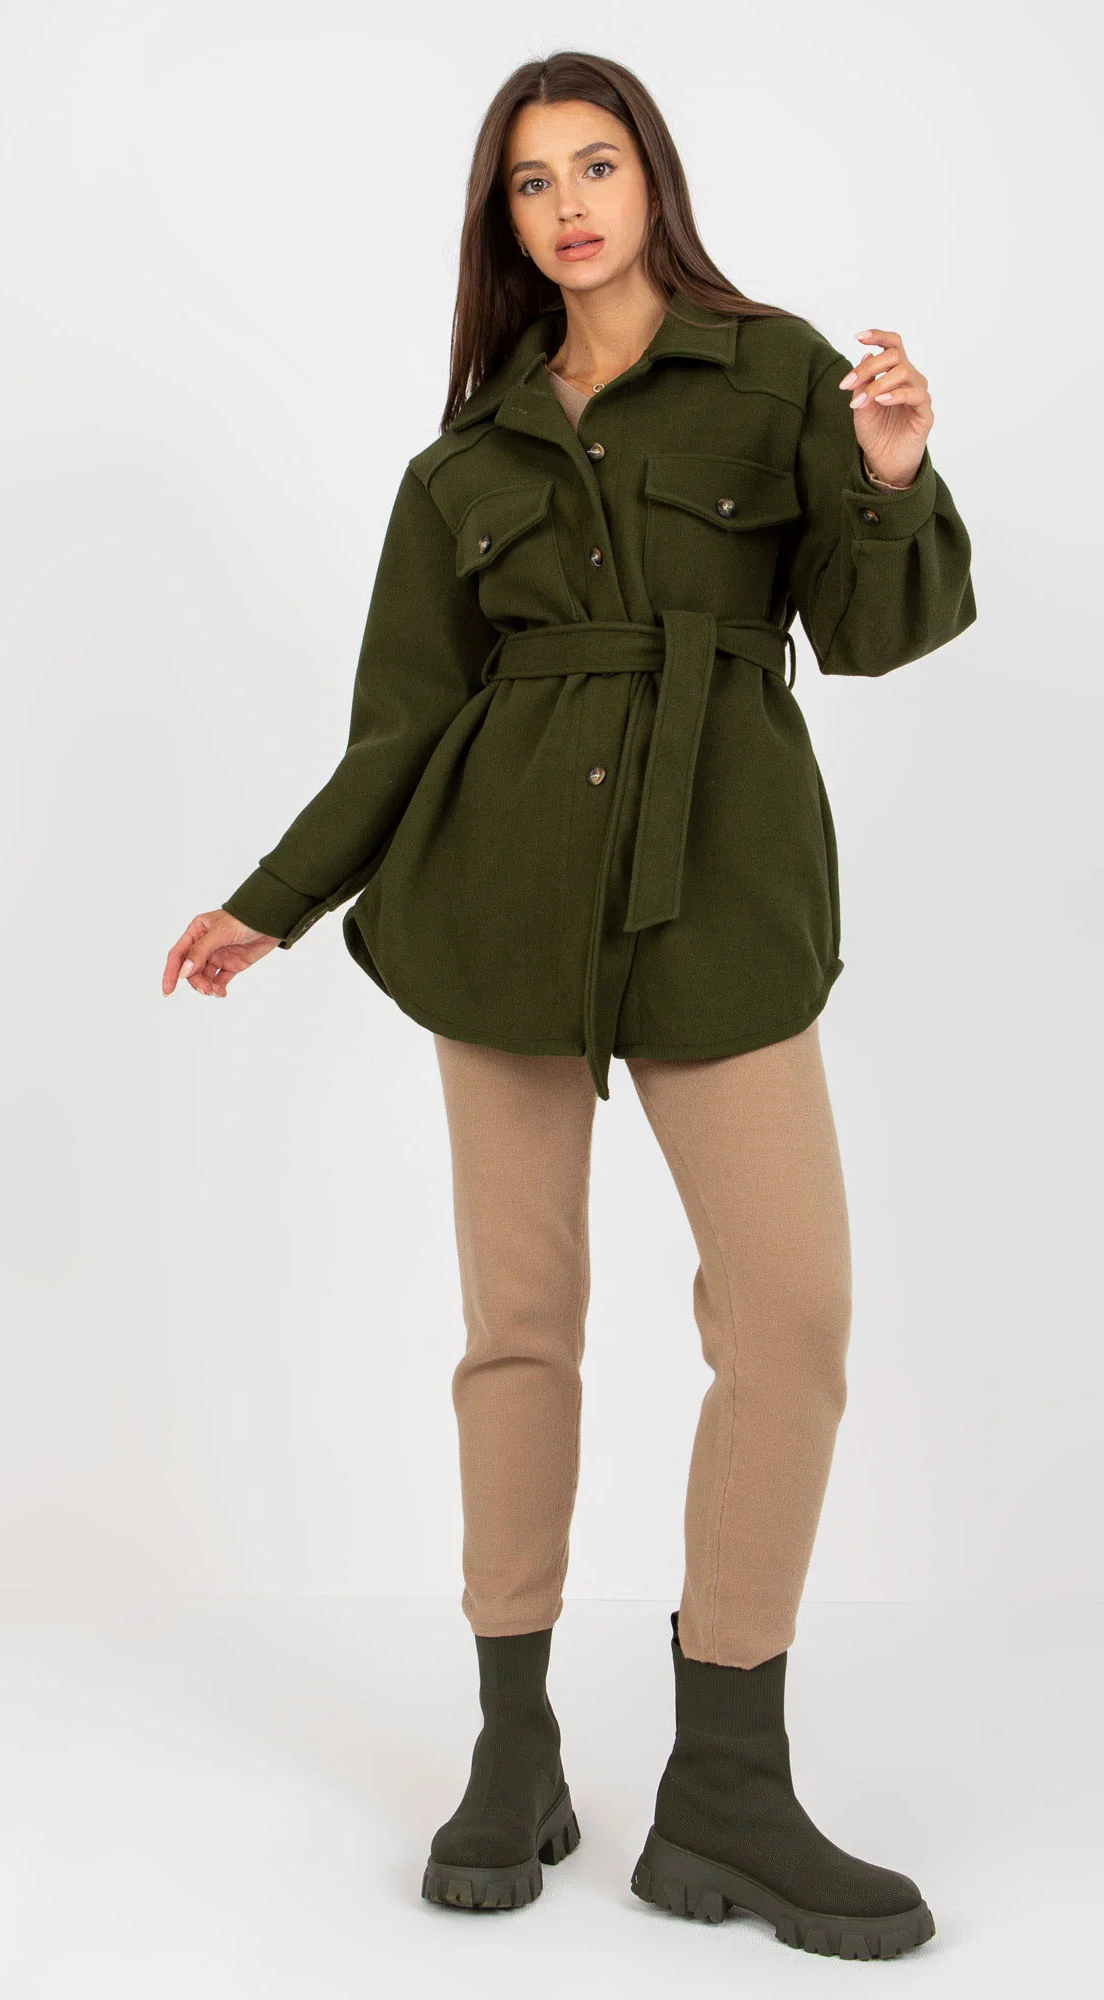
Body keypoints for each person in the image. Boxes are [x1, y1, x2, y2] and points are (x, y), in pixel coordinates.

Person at [162, 49, 975, 1962]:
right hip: (502, 902)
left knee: (791, 1316)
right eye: (531, 183)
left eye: (594, 165)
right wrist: (273, 902)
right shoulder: (465, 466)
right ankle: (512, 1751)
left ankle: (727, 1790)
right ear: (504, 223)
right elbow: (402, 725)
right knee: (518, 1329)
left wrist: (888, 472)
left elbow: (875, 634)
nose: (568, 206)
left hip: (722, 895)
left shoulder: (778, 373)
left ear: (649, 178)